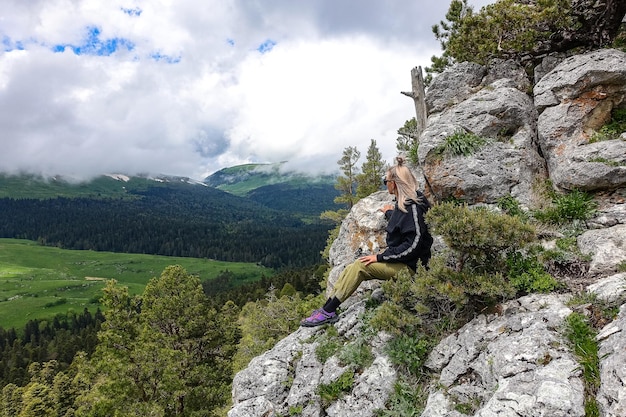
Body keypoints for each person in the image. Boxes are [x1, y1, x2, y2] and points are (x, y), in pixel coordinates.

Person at [301, 156, 433, 327]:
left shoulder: (413, 208)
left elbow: (413, 246)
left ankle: (327, 312)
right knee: (353, 266)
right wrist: (389, 213)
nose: (385, 183)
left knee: (360, 266)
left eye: (385, 180)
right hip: (406, 263)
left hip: (414, 269)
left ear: (394, 183)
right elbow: (405, 224)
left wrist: (380, 257)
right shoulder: (408, 202)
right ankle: (327, 308)